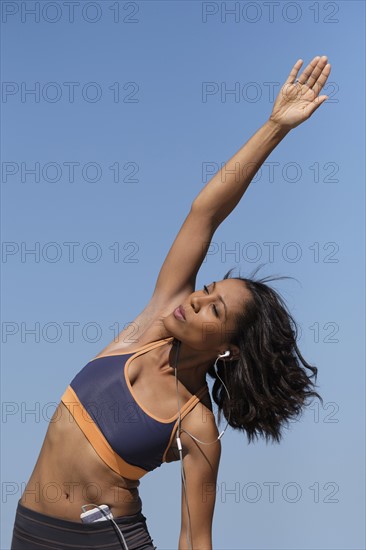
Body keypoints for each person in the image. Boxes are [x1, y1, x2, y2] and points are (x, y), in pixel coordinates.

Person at [10, 55, 331, 550]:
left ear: (230, 349)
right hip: (30, 529)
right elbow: (206, 211)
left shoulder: (197, 424)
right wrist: (275, 126)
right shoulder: (152, 325)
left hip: (107, 540)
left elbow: (194, 537)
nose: (196, 302)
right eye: (206, 292)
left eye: (214, 311)